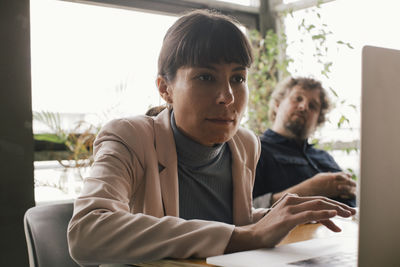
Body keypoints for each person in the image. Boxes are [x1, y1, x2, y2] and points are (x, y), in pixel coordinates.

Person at [67, 10, 356, 266]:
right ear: (165, 88)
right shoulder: (130, 136)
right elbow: (87, 231)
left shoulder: (245, 144)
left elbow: (233, 223)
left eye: (238, 78)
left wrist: (279, 215)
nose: (227, 96)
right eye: (206, 77)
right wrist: (247, 235)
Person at [253, 77, 357, 209]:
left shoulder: (325, 157)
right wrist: (309, 190)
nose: (304, 107)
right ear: (277, 104)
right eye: (298, 98)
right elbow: (244, 213)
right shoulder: (255, 150)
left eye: (312, 106)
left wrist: (351, 192)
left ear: (318, 120)